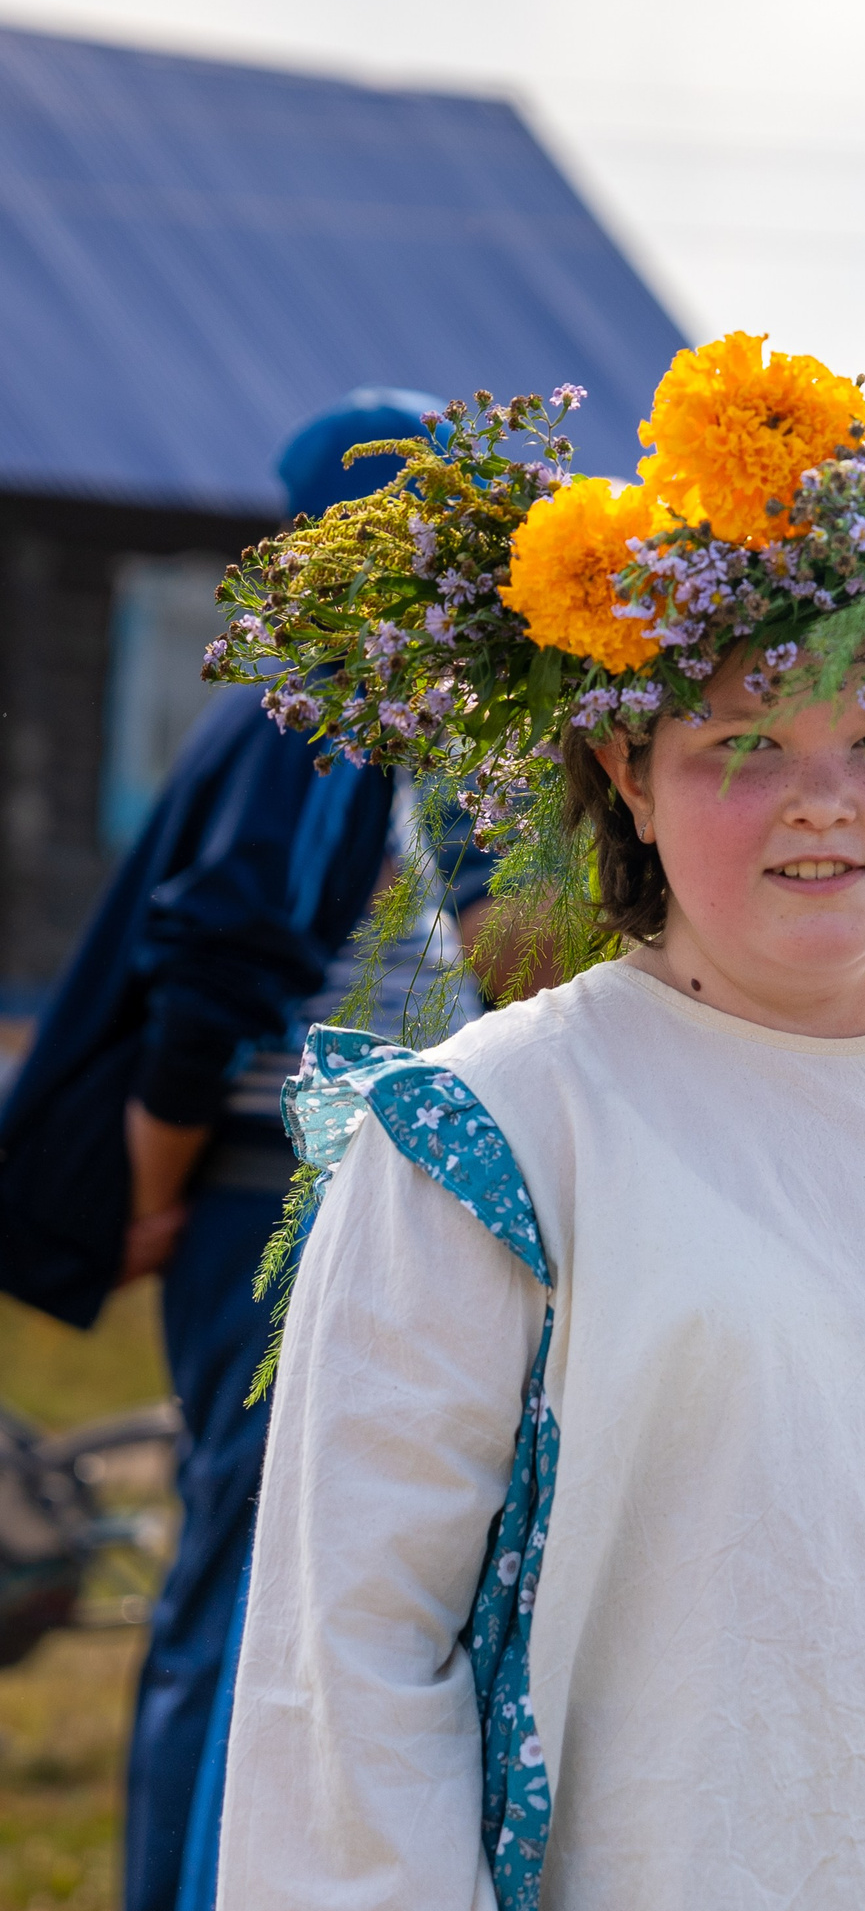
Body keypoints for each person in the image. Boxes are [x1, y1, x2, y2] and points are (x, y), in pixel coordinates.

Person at [207, 324, 865, 1906]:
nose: (821, 800)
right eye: (744, 743)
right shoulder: (503, 1131)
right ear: (628, 775)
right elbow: (351, 1655)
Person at [0, 387, 477, 1911]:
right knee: (239, 1574)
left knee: (309, 1571)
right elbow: (209, 974)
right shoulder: (318, 698)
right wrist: (149, 1202)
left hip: (340, 1186)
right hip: (271, 1189)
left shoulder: (393, 700)